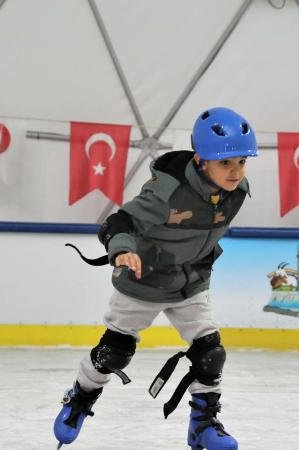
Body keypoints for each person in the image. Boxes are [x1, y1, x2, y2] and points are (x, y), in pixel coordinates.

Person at [54, 107, 257, 449]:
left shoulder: (236, 191)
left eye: (241, 161)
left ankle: (203, 424)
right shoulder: (167, 192)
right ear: (200, 160)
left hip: (190, 282)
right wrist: (122, 250)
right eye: (225, 162)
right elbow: (119, 222)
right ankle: (79, 399)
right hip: (142, 279)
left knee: (210, 354)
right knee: (113, 353)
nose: (235, 171)